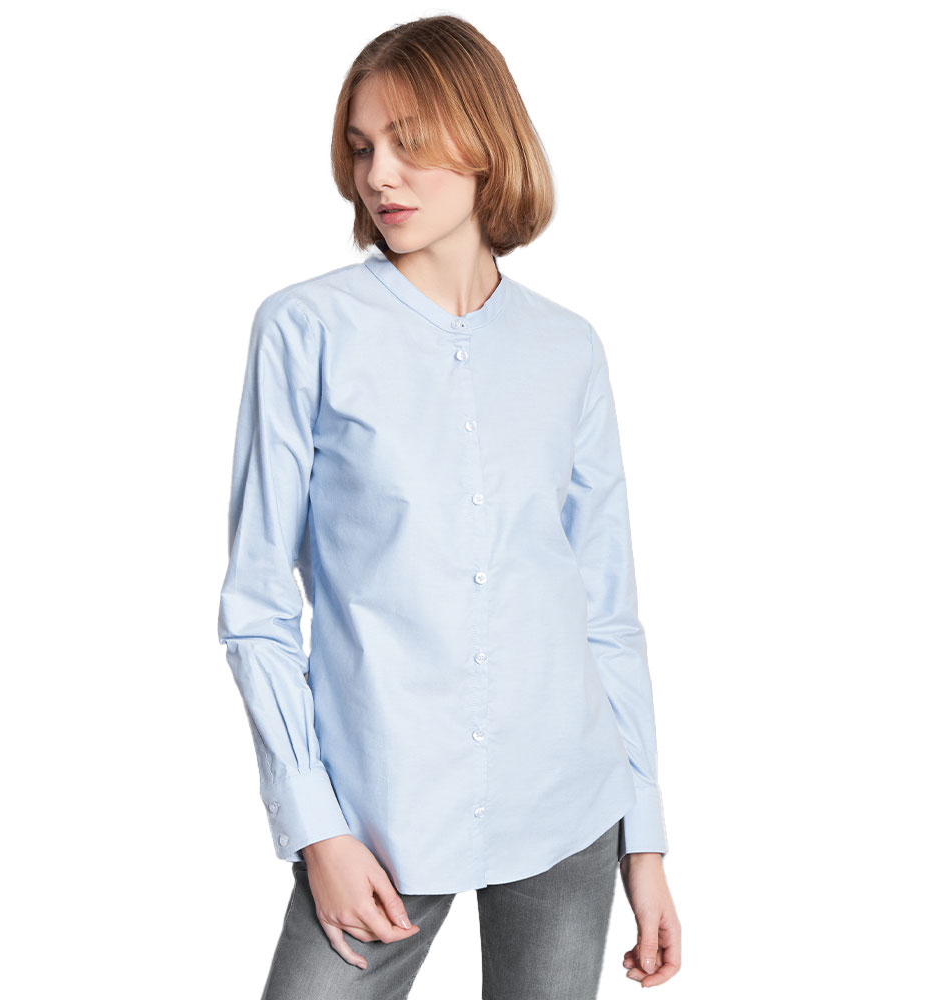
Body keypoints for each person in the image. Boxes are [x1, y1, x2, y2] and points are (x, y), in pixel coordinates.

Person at [217, 14, 681, 999]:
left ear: (485, 143)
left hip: (567, 806)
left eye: (409, 142)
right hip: (380, 818)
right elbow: (256, 607)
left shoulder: (568, 349)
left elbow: (606, 611)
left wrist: (643, 842)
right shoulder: (305, 330)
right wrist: (316, 826)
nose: (378, 175)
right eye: (361, 148)